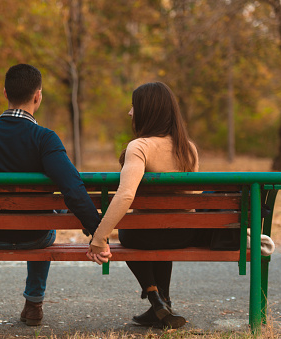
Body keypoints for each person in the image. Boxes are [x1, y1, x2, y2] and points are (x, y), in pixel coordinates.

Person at [0, 64, 100, 326]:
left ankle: (31, 301)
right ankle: (34, 301)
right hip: (36, 236)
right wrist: (97, 229)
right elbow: (72, 187)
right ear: (38, 95)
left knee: (43, 213)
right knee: (48, 213)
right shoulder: (45, 139)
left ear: (5, 93)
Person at [86, 81, 199, 329]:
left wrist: (99, 237)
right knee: (162, 225)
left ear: (148, 111)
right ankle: (162, 302)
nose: (130, 112)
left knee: (135, 231)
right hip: (182, 234)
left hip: (144, 235)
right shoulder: (188, 148)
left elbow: (126, 195)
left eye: (134, 106)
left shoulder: (140, 147)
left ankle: (154, 297)